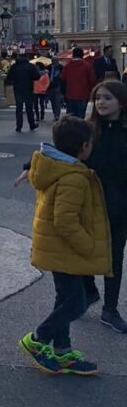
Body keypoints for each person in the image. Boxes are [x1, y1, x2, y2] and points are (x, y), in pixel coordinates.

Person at [18, 116, 111, 376]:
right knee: (75, 304)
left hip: (57, 249)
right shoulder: (75, 177)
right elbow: (65, 221)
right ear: (84, 146)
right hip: (67, 250)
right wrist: (88, 245)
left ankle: (62, 351)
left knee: (65, 300)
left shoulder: (55, 167)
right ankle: (38, 339)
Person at [82, 81, 127, 333]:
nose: (100, 102)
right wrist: (31, 167)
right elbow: (61, 153)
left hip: (120, 206)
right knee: (83, 251)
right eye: (98, 97)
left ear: (121, 102)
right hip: (90, 203)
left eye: (107, 98)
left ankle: (110, 309)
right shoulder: (87, 130)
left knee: (114, 258)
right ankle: (88, 291)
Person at [4, 53, 40, 132]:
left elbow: (9, 77)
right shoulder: (30, 66)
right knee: (29, 108)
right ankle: (32, 125)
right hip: (28, 89)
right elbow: (37, 77)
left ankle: (19, 126)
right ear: (26, 58)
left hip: (18, 89)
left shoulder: (14, 66)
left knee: (19, 108)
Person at [60, 47, 96, 118]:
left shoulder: (67, 66)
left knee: (71, 116)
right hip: (83, 94)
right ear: (82, 55)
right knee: (81, 115)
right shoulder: (87, 66)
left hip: (70, 94)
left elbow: (62, 79)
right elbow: (92, 80)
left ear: (73, 55)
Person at [47, 56, 64, 121]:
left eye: (56, 60)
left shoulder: (61, 67)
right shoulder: (48, 67)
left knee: (57, 101)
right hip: (50, 86)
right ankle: (55, 113)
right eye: (53, 60)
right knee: (52, 101)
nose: (54, 62)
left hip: (58, 86)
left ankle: (57, 115)